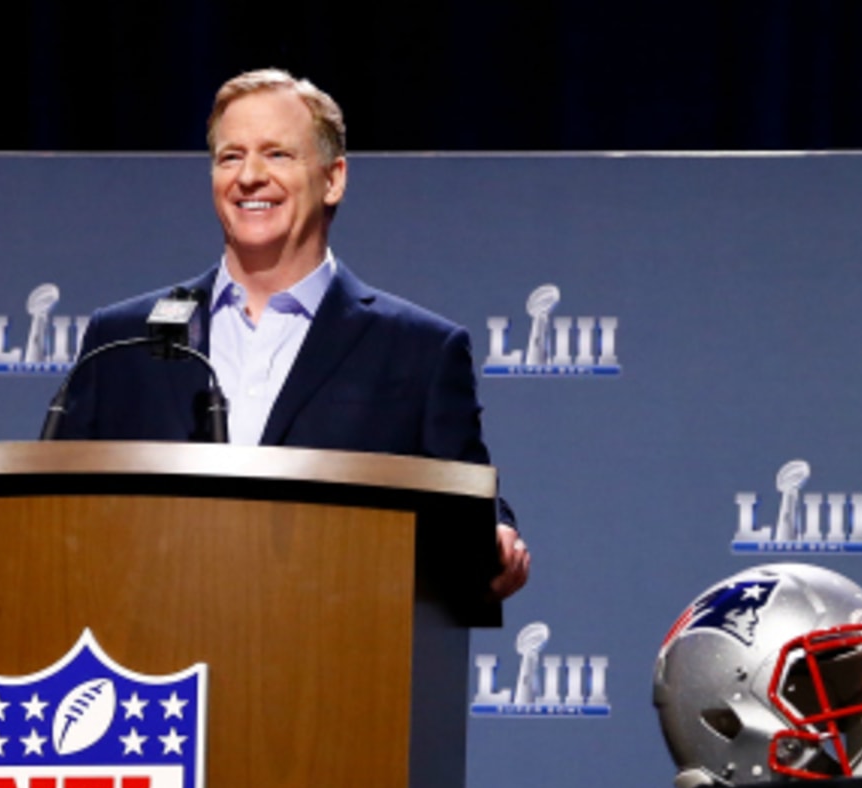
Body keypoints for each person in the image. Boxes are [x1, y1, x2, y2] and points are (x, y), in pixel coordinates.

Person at [49, 68, 529, 601]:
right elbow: (52, 511)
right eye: (230, 156)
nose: (249, 176)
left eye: (277, 154)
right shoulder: (122, 340)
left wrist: (494, 535)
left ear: (333, 178)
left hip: (335, 653)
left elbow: (468, 504)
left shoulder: (418, 351)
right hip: (153, 656)